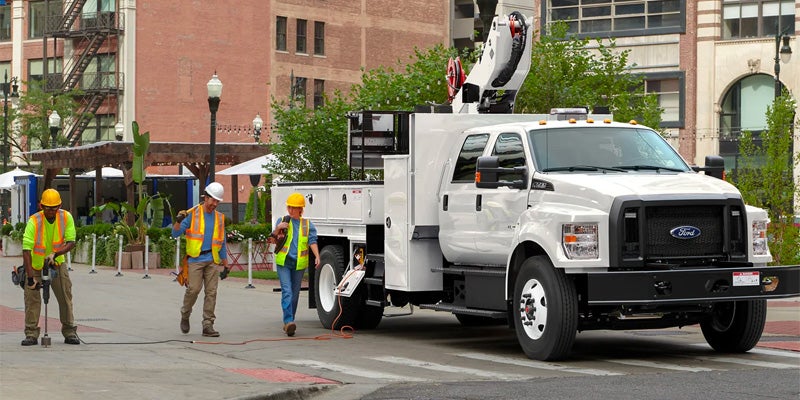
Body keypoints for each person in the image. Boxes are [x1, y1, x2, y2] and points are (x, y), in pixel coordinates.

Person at [171, 182, 230, 337]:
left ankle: (208, 324)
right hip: (195, 259)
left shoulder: (220, 218)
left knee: (211, 292)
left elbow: (221, 242)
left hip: (213, 260)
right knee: (194, 289)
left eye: (218, 201)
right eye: (213, 200)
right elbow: (175, 234)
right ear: (205, 197)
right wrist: (178, 220)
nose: (215, 204)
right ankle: (185, 314)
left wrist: (226, 265)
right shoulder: (192, 214)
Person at [21, 189, 79, 346]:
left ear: (60, 205)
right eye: (47, 207)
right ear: (41, 206)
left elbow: (71, 242)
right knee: (32, 299)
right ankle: (31, 333)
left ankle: (69, 332)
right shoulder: (34, 221)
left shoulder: (66, 217)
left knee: (65, 297)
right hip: (35, 265)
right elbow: (26, 250)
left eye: (54, 208)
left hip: (56, 263)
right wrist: (31, 277)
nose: (51, 211)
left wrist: (55, 253)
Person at [272, 192, 320, 337]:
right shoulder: (282, 221)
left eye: (295, 208)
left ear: (301, 209)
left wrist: (317, 256)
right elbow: (273, 240)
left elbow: (312, 241)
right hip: (284, 262)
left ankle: (289, 321)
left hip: (299, 264)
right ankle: (289, 321)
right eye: (290, 207)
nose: (291, 210)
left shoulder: (307, 224)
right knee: (287, 291)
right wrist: (277, 228)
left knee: (295, 294)